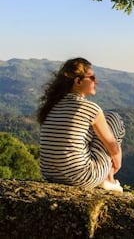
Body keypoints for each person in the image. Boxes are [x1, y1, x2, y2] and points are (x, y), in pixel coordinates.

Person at [37, 57, 125, 192]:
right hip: (82, 177)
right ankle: (109, 179)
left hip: (50, 175)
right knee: (113, 118)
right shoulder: (90, 109)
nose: (97, 81)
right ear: (78, 81)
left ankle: (106, 177)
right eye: (92, 78)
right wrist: (115, 164)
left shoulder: (50, 107)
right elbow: (113, 146)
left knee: (95, 127)